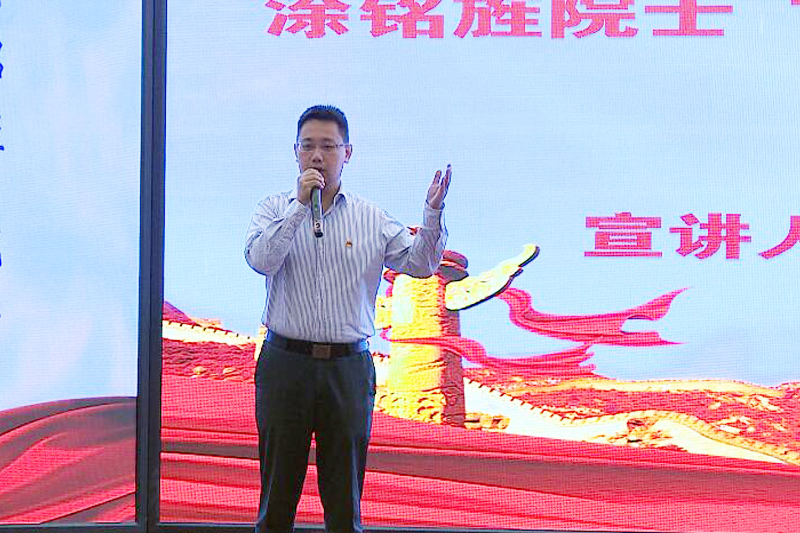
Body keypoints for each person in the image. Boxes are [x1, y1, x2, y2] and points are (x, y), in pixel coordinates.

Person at [244, 105, 451, 533]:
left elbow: (421, 264)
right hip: (286, 367)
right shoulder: (273, 208)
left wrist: (432, 214)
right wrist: (299, 208)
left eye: (328, 146)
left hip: (347, 369)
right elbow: (262, 260)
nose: (317, 155)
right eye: (308, 146)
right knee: (277, 501)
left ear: (348, 152)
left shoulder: (371, 217)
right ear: (295, 152)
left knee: (343, 506)